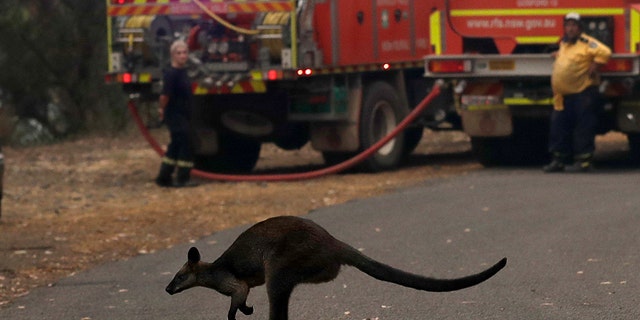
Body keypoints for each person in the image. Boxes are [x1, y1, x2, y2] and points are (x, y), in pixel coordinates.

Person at [543, 12, 611, 173]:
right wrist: (558, 55)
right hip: (562, 96)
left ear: (580, 28)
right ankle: (558, 160)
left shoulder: (587, 42)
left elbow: (605, 52)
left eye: (574, 25)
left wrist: (596, 64)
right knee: (558, 126)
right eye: (568, 25)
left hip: (583, 93)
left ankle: (584, 161)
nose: (571, 29)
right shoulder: (564, 43)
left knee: (583, 127)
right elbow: (569, 59)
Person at [155, 40, 196, 187]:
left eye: (185, 53)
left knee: (176, 144)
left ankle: (164, 177)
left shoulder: (183, 72)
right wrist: (161, 110)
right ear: (172, 55)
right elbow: (164, 96)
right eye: (179, 53)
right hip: (174, 114)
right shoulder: (171, 74)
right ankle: (183, 178)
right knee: (186, 143)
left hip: (184, 114)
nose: (183, 56)